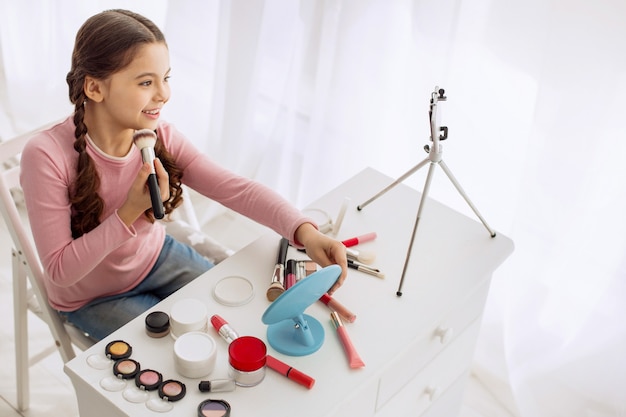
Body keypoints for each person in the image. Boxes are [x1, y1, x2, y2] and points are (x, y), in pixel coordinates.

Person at [20, 9, 348, 341]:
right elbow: (60, 271)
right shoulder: (45, 157)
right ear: (94, 88)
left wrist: (306, 232)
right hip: (92, 298)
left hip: (155, 258)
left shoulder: (160, 135)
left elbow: (235, 189)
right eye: (146, 82)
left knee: (236, 321)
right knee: (172, 355)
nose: (164, 94)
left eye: (166, 78)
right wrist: (129, 213)